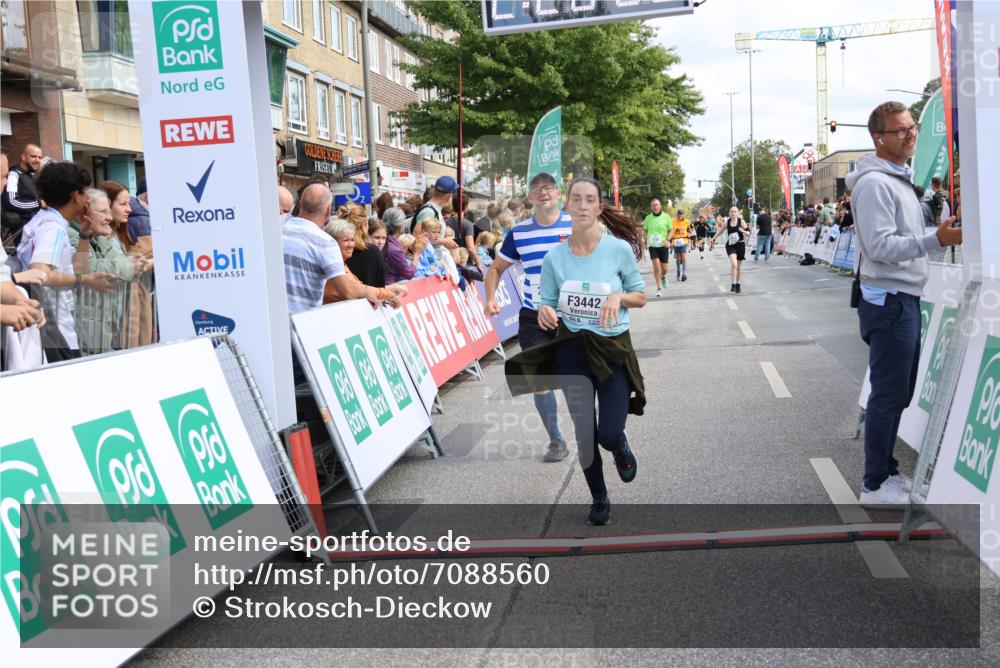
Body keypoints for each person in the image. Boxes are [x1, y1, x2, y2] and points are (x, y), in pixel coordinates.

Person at [505, 177, 646, 526]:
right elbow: (547, 304)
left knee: (608, 433)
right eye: (576, 199)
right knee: (585, 434)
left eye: (590, 200)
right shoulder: (555, 257)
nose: (582, 205)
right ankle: (599, 497)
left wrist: (618, 297)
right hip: (573, 350)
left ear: (599, 207)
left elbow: (640, 295)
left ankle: (620, 445)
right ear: (567, 206)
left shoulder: (617, 250)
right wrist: (545, 311)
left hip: (611, 349)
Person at [848, 100, 962, 506]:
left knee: (897, 392)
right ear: (879, 139)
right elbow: (880, 246)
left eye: (912, 126)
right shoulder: (877, 184)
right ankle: (875, 484)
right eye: (901, 130)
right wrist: (936, 240)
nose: (911, 134)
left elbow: (900, 237)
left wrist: (936, 230)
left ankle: (886, 473)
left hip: (900, 298)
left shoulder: (895, 179)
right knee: (889, 393)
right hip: (891, 301)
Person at [485, 172, 572, 463]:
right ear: (530, 197)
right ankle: (556, 440)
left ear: (558, 193)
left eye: (549, 188)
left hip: (573, 315)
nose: (544, 193)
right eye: (537, 189)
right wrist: (490, 297)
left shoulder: (576, 225)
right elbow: (496, 268)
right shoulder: (519, 233)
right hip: (534, 317)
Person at [15, 162, 116, 361]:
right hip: (52, 330)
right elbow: (40, 274)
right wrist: (85, 280)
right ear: (75, 195)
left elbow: (75, 269)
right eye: (85, 191)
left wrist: (85, 234)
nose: (88, 197)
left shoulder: (49, 221)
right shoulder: (52, 228)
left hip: (58, 326)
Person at [281, 184, 369, 314]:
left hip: (272, 322)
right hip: (302, 323)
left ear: (300, 204)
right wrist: (370, 293)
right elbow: (347, 292)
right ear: (328, 210)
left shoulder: (278, 230)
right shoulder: (325, 242)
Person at [101, 180, 155, 348]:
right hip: (116, 315)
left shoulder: (117, 232)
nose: (129, 209)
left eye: (128, 203)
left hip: (123, 310)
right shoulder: (104, 236)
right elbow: (127, 269)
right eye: (123, 204)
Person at [323, 220, 407, 307]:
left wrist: (387, 293)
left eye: (352, 240)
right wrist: (387, 293)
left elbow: (360, 287)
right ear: (333, 243)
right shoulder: (331, 266)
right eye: (346, 240)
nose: (351, 245)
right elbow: (350, 290)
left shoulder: (342, 264)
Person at [2, 143, 43, 248]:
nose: (37, 160)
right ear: (24, 157)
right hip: (23, 231)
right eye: (33, 156)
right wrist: (38, 204)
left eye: (39, 157)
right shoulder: (14, 174)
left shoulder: (34, 175)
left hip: (37, 228)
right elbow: (11, 201)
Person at [338, 203, 387, 288]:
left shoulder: (335, 250)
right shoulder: (373, 252)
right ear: (364, 225)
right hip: (369, 299)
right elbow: (380, 287)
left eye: (384, 238)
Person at [412, 176, 459, 252]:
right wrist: (444, 241)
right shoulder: (429, 211)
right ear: (450, 195)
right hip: (428, 262)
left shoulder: (435, 210)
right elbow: (416, 237)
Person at [382, 207, 425, 284]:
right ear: (400, 225)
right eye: (403, 222)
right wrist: (417, 253)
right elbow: (409, 273)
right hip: (391, 286)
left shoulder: (385, 241)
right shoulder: (394, 248)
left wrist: (410, 249)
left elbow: (396, 260)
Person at [715, 205, 750, 293]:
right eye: (732, 211)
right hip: (731, 245)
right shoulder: (727, 222)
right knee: (734, 264)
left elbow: (749, 233)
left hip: (740, 245)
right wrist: (713, 238)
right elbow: (720, 231)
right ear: (729, 213)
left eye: (735, 211)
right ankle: (733, 283)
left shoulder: (741, 221)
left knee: (738, 267)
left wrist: (743, 231)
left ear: (737, 213)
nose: (733, 213)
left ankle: (738, 283)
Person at [642, 198, 671, 297]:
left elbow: (671, 230)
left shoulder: (666, 217)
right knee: (656, 266)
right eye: (653, 205)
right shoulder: (648, 218)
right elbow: (645, 230)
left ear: (660, 206)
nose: (655, 207)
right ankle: (658, 288)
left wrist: (668, 240)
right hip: (653, 246)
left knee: (665, 269)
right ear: (651, 207)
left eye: (657, 205)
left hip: (663, 245)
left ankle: (663, 277)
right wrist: (645, 242)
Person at [669, 208, 692, 282]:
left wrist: (689, 235)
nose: (680, 217)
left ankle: (684, 274)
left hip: (684, 240)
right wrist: (671, 241)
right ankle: (678, 271)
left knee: (684, 257)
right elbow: (671, 231)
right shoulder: (673, 221)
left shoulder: (687, 221)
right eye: (678, 215)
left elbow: (690, 229)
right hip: (676, 240)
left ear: (683, 215)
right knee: (678, 258)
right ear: (677, 215)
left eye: (681, 215)